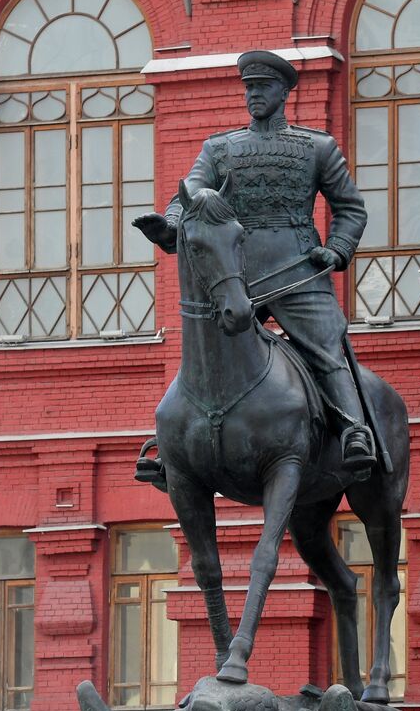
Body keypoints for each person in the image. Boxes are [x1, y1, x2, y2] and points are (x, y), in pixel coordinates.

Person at [133, 50, 376, 477]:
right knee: (203, 348)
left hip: (298, 270)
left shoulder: (317, 147)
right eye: (249, 88)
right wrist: (169, 225)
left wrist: (336, 249)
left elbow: (350, 209)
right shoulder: (219, 149)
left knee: (325, 345)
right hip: (236, 273)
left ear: (283, 92)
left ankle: (355, 430)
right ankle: (171, 447)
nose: (254, 96)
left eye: (262, 88)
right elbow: (187, 196)